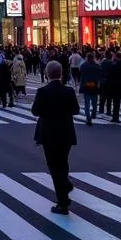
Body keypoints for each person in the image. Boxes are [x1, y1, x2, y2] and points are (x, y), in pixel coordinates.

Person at [31, 60, 80, 214]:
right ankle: (64, 190)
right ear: (61, 74)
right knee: (63, 163)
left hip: (49, 133)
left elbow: (35, 111)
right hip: (66, 132)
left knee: (54, 166)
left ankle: (63, 201)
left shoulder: (42, 91)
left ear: (47, 74)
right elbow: (76, 110)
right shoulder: (69, 91)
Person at [78, 51, 101, 126]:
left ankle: (88, 119)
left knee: (87, 103)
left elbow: (80, 72)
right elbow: (100, 74)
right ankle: (93, 114)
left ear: (87, 58)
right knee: (94, 101)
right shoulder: (97, 66)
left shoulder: (84, 65)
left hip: (86, 84)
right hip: (94, 84)